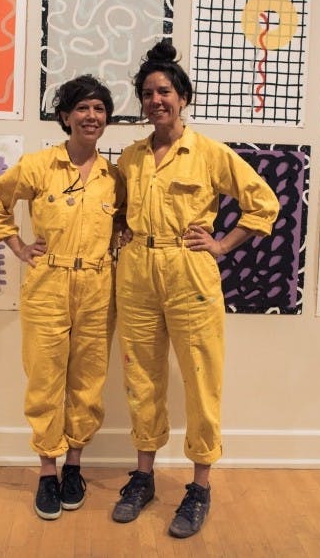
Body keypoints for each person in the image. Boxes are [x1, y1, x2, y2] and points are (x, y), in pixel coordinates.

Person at [111, 41, 279, 538]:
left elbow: (262, 203)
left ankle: (200, 485)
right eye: (147, 93)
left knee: (202, 378)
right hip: (137, 271)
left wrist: (224, 243)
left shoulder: (208, 153)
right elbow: (120, 206)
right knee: (141, 376)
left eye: (164, 91)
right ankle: (143, 477)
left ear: (183, 97)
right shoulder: (131, 157)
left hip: (190, 274)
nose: (155, 100)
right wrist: (122, 227)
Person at [0, 74, 125, 521]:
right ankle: (47, 470)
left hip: (99, 288)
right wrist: (19, 246)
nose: (91, 116)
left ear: (106, 119)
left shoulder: (114, 177)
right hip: (47, 286)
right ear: (65, 116)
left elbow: (123, 225)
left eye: (99, 108)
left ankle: (75, 466)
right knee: (44, 379)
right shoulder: (38, 166)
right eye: (82, 108)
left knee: (88, 381)